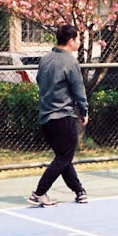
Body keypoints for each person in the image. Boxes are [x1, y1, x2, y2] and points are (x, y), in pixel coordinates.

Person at [28, 24, 89, 207]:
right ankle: (39, 193)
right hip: (63, 116)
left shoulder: (45, 59)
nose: (79, 42)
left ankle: (79, 191)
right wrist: (84, 111)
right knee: (64, 157)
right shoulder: (70, 62)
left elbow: (39, 81)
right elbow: (78, 89)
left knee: (63, 157)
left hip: (45, 117)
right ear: (71, 41)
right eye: (78, 39)